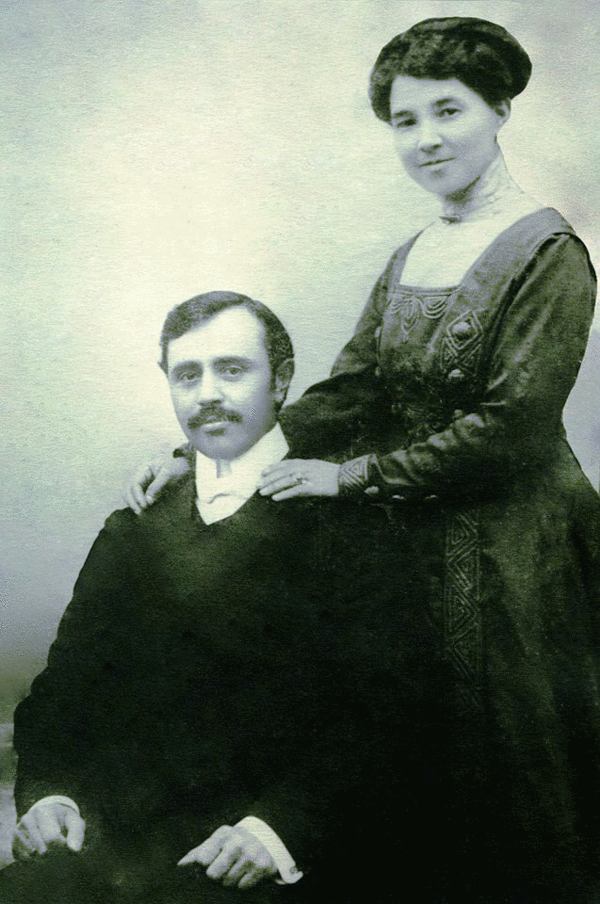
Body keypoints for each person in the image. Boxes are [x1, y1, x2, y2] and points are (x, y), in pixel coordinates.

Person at [126, 18, 600, 904]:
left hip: (515, 552)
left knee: (511, 764)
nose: (426, 140)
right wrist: (204, 448)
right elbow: (353, 389)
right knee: (397, 735)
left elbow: (512, 430)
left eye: (448, 111)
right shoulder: (413, 253)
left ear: (501, 110)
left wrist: (350, 478)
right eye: (404, 121)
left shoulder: (550, 253)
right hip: (408, 538)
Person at [3, 292, 435, 903]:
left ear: (281, 381)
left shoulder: (354, 530)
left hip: (273, 859)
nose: (207, 393)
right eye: (187, 375)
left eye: (232, 370)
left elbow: (389, 716)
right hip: (115, 847)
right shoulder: (132, 530)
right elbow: (62, 695)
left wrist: (277, 832)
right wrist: (50, 796)